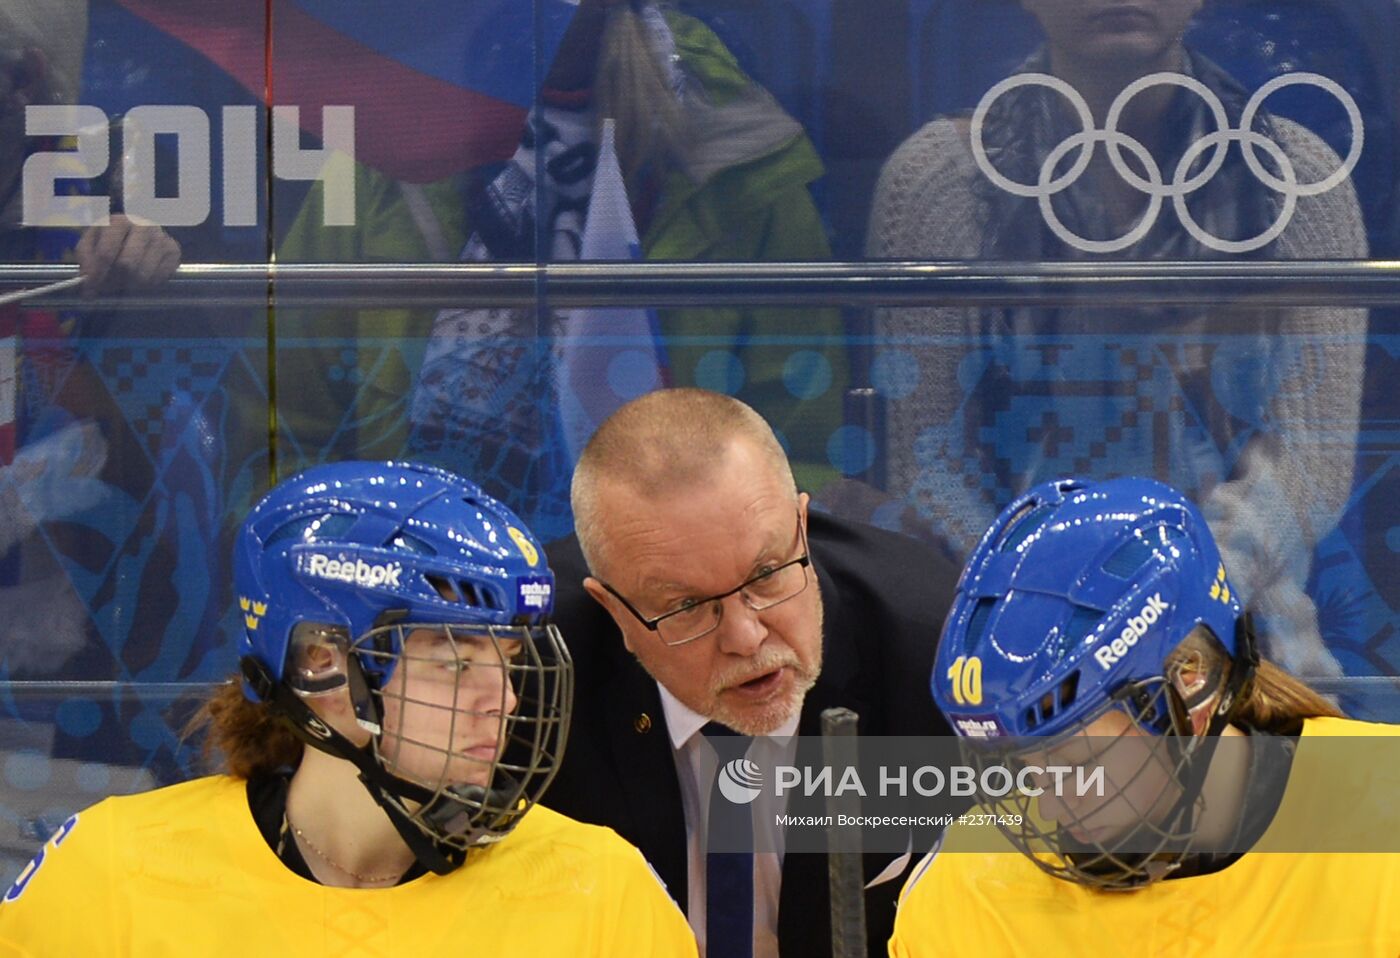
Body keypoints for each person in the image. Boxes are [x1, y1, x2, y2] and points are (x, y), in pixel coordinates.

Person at [0, 460, 698, 956]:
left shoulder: (601, 893)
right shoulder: (109, 877)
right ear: (319, 664)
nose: (506, 702)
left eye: (509, 661)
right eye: (456, 664)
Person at [867, 0, 1368, 679]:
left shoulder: (1301, 182)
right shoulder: (939, 183)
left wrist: (1183, 593)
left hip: (1250, 635)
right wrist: (1052, 601)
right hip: (1011, 646)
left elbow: (1310, 458)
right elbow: (927, 463)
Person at [890, 476, 1400, 956]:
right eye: (1022, 764)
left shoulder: (1383, 832)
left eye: (1078, 760)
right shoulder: (965, 891)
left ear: (1193, 683)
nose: (1047, 802)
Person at [542, 387, 961, 958]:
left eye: (766, 574)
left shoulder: (933, 658)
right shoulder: (531, 680)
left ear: (802, 528)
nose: (745, 637)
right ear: (614, 611)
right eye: (687, 606)